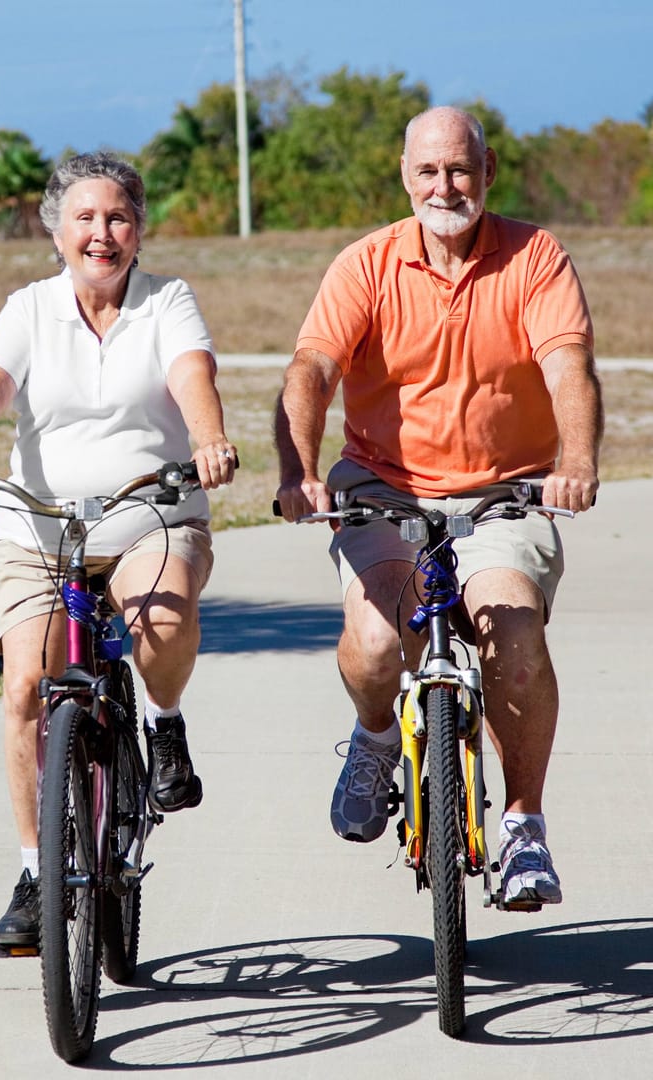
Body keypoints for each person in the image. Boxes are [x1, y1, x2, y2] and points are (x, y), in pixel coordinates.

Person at [0, 152, 239, 954]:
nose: (103, 233)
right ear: (55, 230)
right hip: (39, 527)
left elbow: (193, 374)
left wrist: (207, 439)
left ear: (139, 229)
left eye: (119, 217)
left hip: (149, 514)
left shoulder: (167, 302)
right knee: (26, 685)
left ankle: (163, 724)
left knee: (158, 625)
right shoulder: (28, 309)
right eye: (85, 219)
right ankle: (34, 871)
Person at [273, 106, 602, 908]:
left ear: (487, 173)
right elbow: (312, 369)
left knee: (513, 633)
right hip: (383, 489)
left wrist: (578, 461)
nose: (444, 185)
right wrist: (298, 469)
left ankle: (524, 827)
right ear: (404, 175)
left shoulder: (535, 257)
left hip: (504, 493)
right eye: (428, 171)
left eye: (460, 169)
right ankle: (378, 736)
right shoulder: (367, 263)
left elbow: (569, 367)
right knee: (378, 641)